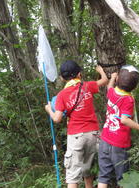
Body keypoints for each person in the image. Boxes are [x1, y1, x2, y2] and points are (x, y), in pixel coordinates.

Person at [45, 60, 108, 188]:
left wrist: (48, 110)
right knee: (87, 167)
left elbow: (57, 119)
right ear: (79, 74)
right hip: (93, 135)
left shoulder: (61, 95)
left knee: (73, 174)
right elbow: (104, 80)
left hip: (76, 136)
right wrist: (101, 71)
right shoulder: (87, 86)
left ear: (62, 78)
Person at [98, 65, 139, 188]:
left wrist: (112, 78)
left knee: (103, 176)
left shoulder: (112, 92)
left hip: (105, 139)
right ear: (135, 86)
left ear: (117, 80)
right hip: (119, 144)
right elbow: (124, 120)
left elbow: (109, 87)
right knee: (123, 178)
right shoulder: (128, 99)